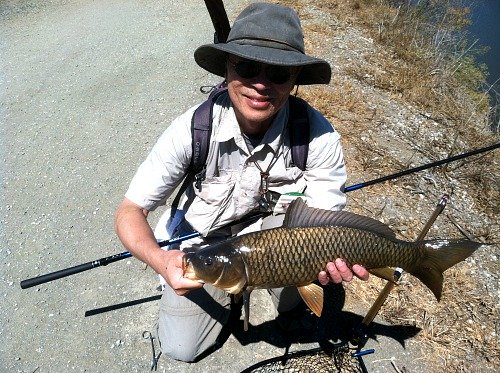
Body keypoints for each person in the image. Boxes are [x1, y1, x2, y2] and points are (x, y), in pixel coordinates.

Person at [115, 2, 368, 363]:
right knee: (182, 347)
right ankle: (233, 291)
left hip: (279, 240)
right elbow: (129, 210)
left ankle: (271, 291)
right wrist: (160, 260)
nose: (261, 85)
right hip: (206, 244)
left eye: (279, 73)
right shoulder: (193, 129)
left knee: (293, 299)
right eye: (248, 68)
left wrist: (333, 259)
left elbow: (324, 224)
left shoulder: (318, 135)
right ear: (228, 70)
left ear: (295, 80)